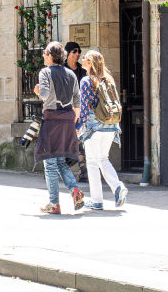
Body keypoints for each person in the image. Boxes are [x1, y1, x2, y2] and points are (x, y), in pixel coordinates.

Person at [34, 41, 84, 214]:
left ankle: (54, 204)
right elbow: (77, 100)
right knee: (61, 160)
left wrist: (38, 90)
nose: (43, 56)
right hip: (68, 119)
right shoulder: (71, 74)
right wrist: (73, 122)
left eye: (44, 53)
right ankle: (75, 190)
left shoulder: (45, 73)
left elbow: (45, 94)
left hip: (52, 120)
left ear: (50, 55)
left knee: (50, 162)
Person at [78, 50, 128, 210]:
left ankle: (97, 200)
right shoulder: (109, 80)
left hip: (94, 128)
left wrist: (79, 127)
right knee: (103, 159)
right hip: (111, 126)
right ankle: (118, 187)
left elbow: (84, 108)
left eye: (85, 58)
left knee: (92, 163)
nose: (82, 59)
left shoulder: (87, 81)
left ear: (90, 63)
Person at [64, 41, 88, 181]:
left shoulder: (82, 70)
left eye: (79, 51)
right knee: (64, 142)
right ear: (67, 53)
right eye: (74, 51)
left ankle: (84, 172)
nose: (78, 54)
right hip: (65, 110)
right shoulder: (62, 70)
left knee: (80, 140)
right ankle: (55, 168)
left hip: (80, 111)